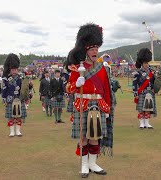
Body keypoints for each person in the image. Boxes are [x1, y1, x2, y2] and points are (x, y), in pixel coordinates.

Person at [66, 23, 115, 178]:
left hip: (98, 105)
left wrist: (106, 109)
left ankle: (93, 163)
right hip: (83, 104)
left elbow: (106, 90)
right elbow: (68, 88)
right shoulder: (77, 68)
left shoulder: (102, 68)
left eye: (96, 49)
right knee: (84, 137)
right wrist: (76, 83)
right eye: (92, 49)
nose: (95, 52)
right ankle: (84, 165)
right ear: (86, 51)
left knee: (95, 137)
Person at [2, 54, 27, 137]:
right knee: (11, 117)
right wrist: (4, 100)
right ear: (10, 69)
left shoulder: (21, 78)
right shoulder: (6, 79)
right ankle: (12, 132)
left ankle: (18, 131)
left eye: (16, 69)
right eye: (13, 69)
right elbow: (4, 90)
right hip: (10, 99)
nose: (14, 71)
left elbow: (24, 89)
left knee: (19, 116)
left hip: (19, 99)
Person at [132, 48, 157, 129]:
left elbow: (154, 82)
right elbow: (134, 84)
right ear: (142, 63)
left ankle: (147, 123)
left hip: (150, 92)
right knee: (141, 109)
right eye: (145, 63)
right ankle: (141, 123)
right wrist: (135, 94)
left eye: (147, 63)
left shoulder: (152, 71)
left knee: (148, 109)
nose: (146, 64)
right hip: (142, 92)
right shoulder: (137, 72)